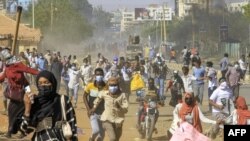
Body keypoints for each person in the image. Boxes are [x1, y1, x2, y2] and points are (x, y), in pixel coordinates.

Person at [20, 70, 78, 141]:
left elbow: (72, 124)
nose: (43, 85)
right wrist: (27, 109)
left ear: (53, 83)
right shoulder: (35, 103)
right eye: (40, 83)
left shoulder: (63, 100)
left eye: (46, 82)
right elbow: (24, 130)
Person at [0, 48, 39, 138]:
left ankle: (20, 131)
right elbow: (2, 77)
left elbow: (28, 70)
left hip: (23, 91)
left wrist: (40, 73)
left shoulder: (18, 65)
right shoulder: (7, 68)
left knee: (25, 111)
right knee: (11, 111)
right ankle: (11, 131)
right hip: (13, 95)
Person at [91, 77, 128, 141]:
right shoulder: (104, 93)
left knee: (116, 139)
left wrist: (120, 107)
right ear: (108, 85)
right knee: (112, 138)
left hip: (118, 121)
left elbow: (126, 109)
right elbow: (97, 101)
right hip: (107, 120)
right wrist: (93, 109)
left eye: (114, 85)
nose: (113, 87)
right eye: (111, 85)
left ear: (118, 85)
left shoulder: (122, 95)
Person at [83, 68, 107, 141]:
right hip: (93, 113)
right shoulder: (90, 86)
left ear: (103, 75)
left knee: (101, 136)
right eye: (97, 74)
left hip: (104, 114)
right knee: (96, 130)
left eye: (100, 74)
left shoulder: (106, 87)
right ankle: (91, 139)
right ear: (95, 76)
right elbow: (84, 96)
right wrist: (88, 109)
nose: (99, 76)